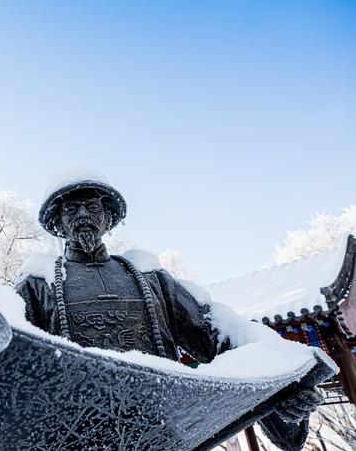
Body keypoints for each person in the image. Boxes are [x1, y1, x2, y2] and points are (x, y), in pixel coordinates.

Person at [16, 174, 323, 450]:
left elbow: (222, 339)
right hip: (74, 437)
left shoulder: (150, 279)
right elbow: (14, 375)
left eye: (92, 207)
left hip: (160, 434)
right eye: (71, 210)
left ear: (108, 218)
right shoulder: (39, 285)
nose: (82, 215)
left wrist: (285, 387)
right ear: (58, 223)